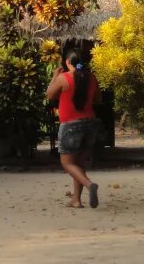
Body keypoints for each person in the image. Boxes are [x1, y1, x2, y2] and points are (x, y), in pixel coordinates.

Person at [46, 50, 102, 209]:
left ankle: (90, 184)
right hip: (90, 124)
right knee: (79, 163)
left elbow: (49, 95)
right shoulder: (92, 78)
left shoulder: (64, 78)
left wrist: (54, 77)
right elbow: (98, 99)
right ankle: (76, 200)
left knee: (67, 163)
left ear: (67, 63)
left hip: (70, 125)